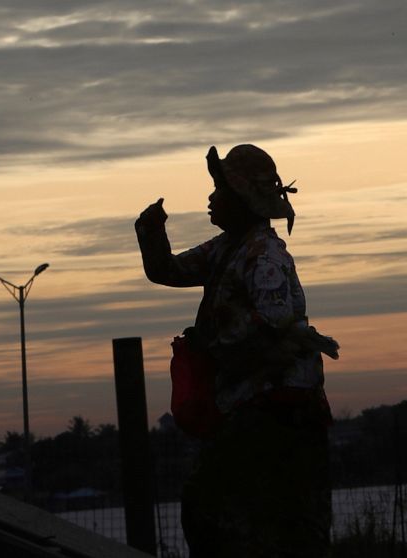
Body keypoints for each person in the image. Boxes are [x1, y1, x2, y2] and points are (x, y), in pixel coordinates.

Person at [134, 145, 339, 557]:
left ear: (243, 199)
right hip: (252, 408)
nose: (211, 199)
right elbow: (167, 271)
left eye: (220, 190)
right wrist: (152, 233)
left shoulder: (265, 255)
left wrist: (216, 342)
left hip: (276, 410)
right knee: (225, 513)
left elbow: (276, 326)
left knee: (232, 514)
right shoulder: (226, 248)